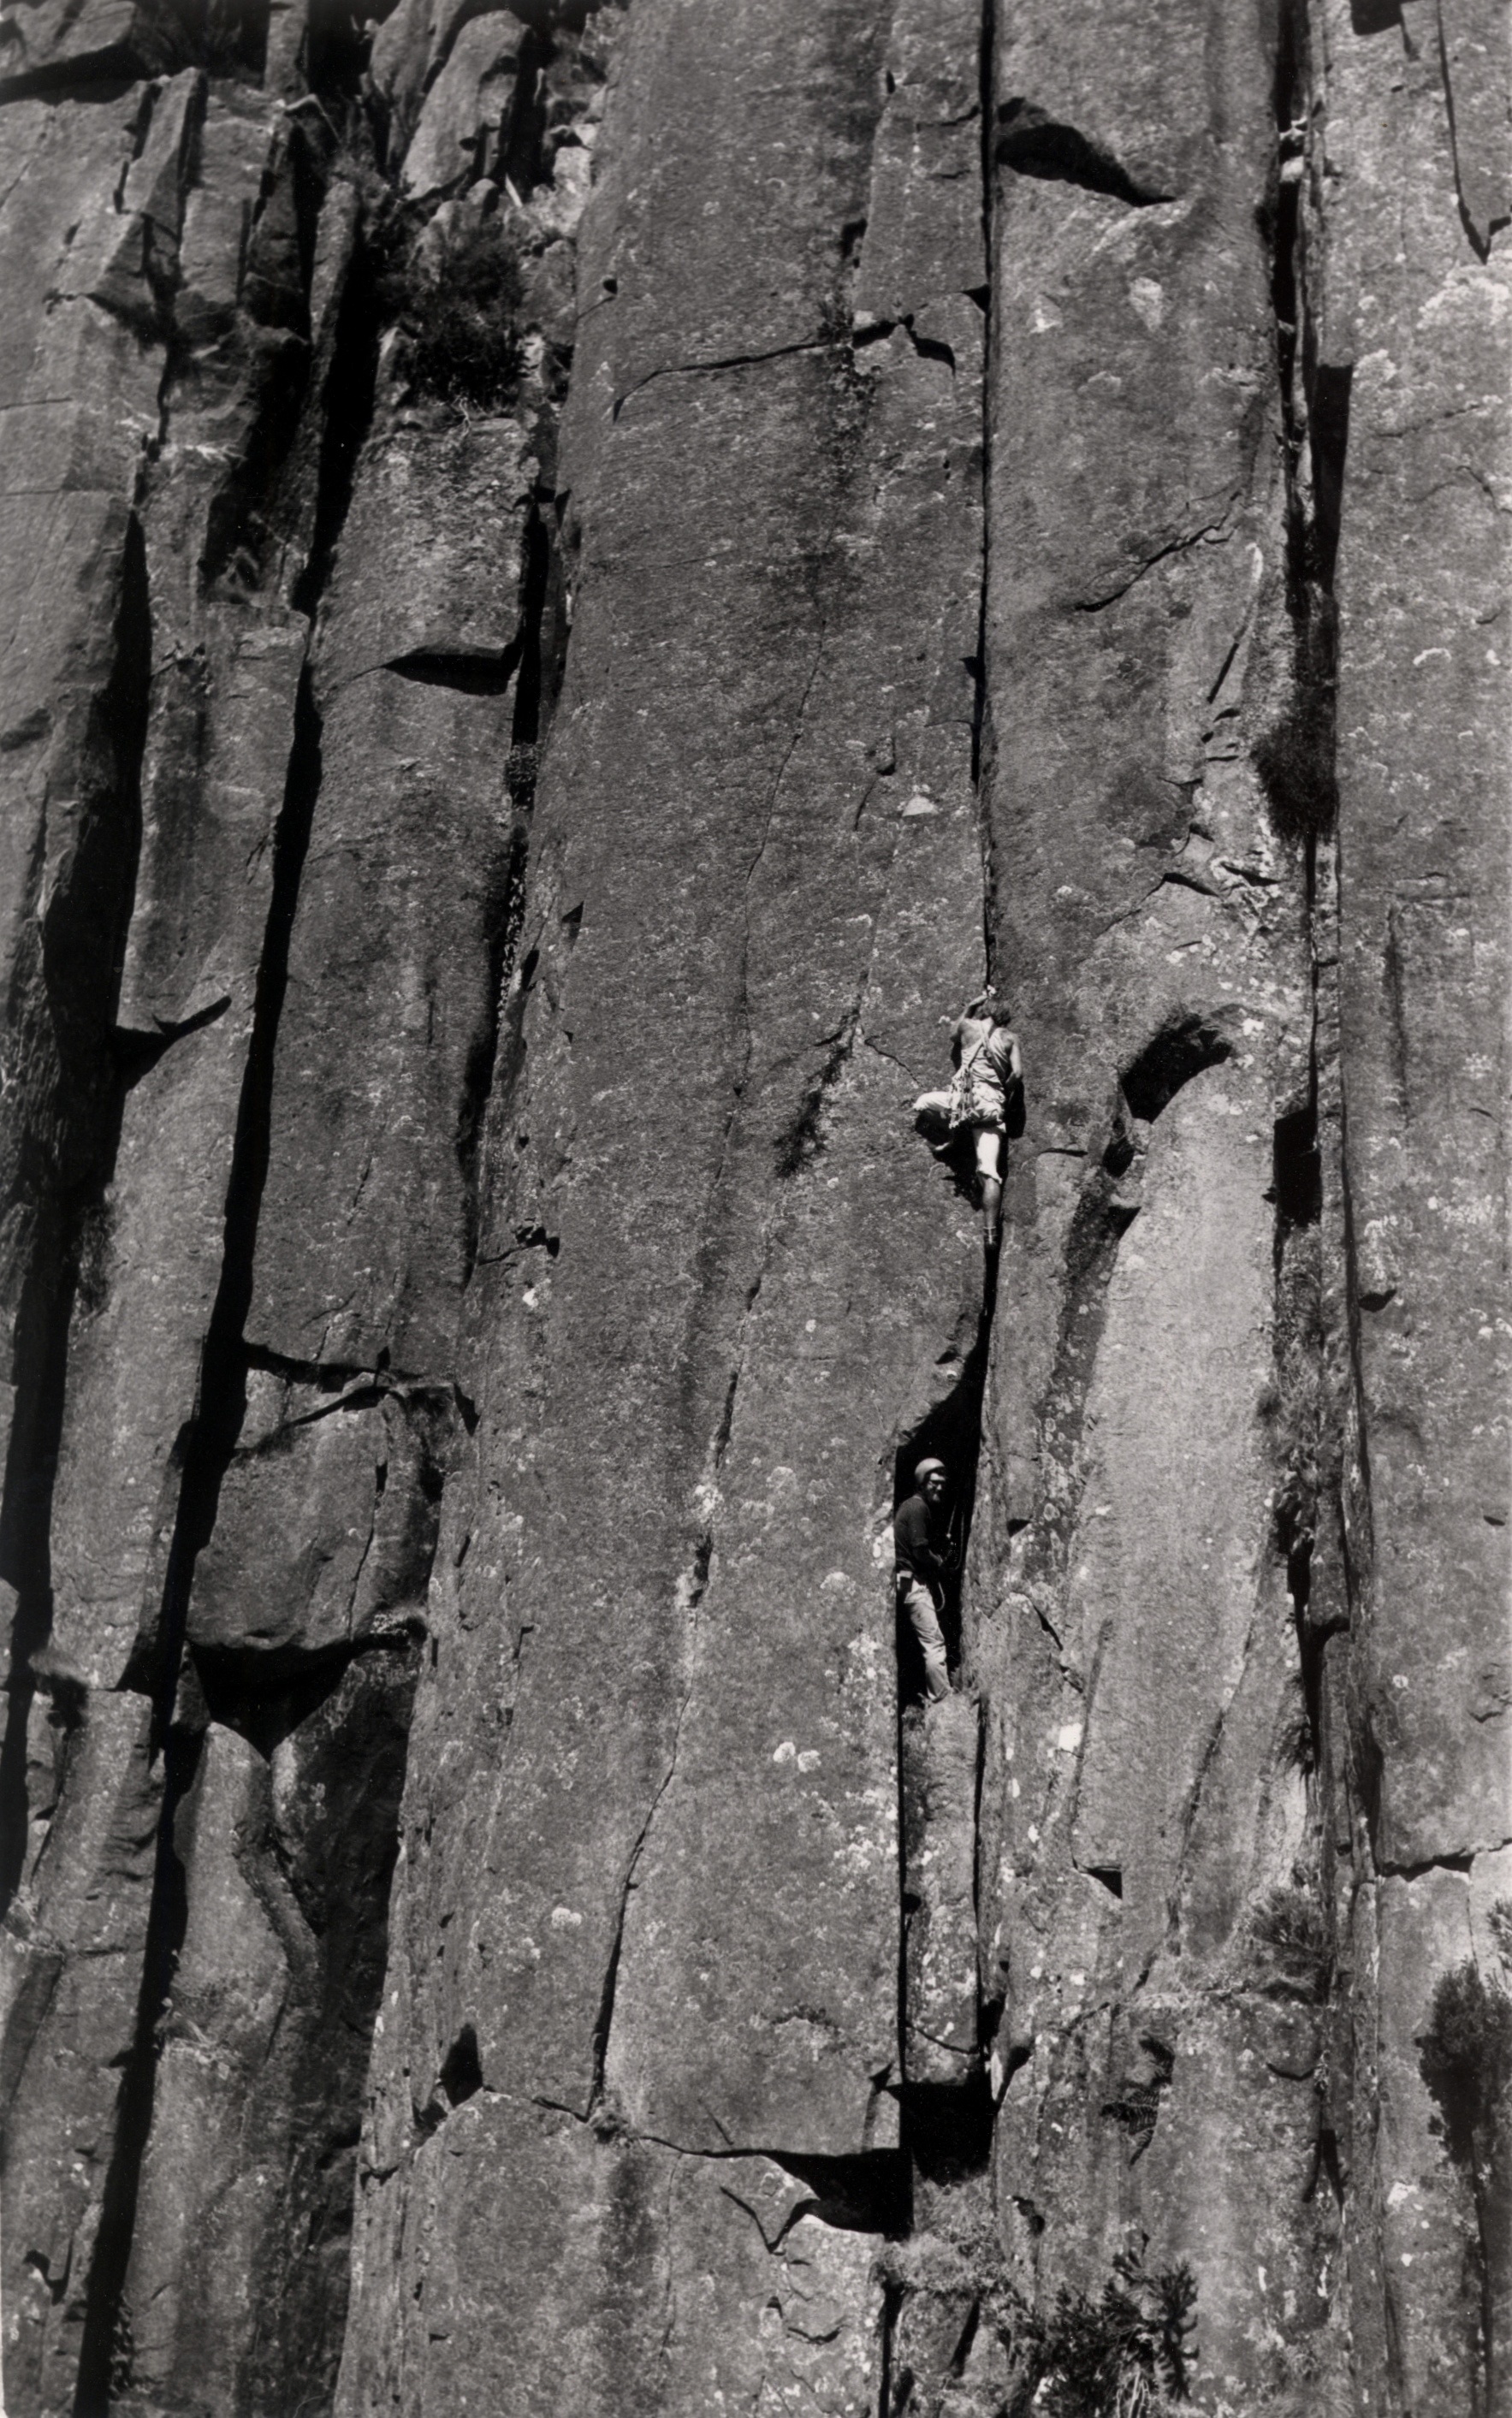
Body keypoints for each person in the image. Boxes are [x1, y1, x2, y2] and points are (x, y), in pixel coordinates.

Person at [946, 988, 1021, 1246]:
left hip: (966, 1098)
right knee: (989, 1172)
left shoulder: (968, 1026)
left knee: (924, 1105)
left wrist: (970, 1005)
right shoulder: (1009, 1037)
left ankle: (952, 1136)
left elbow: (952, 1034)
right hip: (991, 1103)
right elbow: (1017, 1073)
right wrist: (1005, 1091)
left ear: (984, 1010)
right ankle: (990, 1232)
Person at [893, 1457, 953, 1703]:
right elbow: (919, 1549)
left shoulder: (910, 1507)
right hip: (913, 1584)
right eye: (933, 1483)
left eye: (942, 1483)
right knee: (934, 1642)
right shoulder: (918, 1508)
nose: (939, 1487)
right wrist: (937, 1562)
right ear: (921, 1483)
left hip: (907, 1581)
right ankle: (942, 1699)